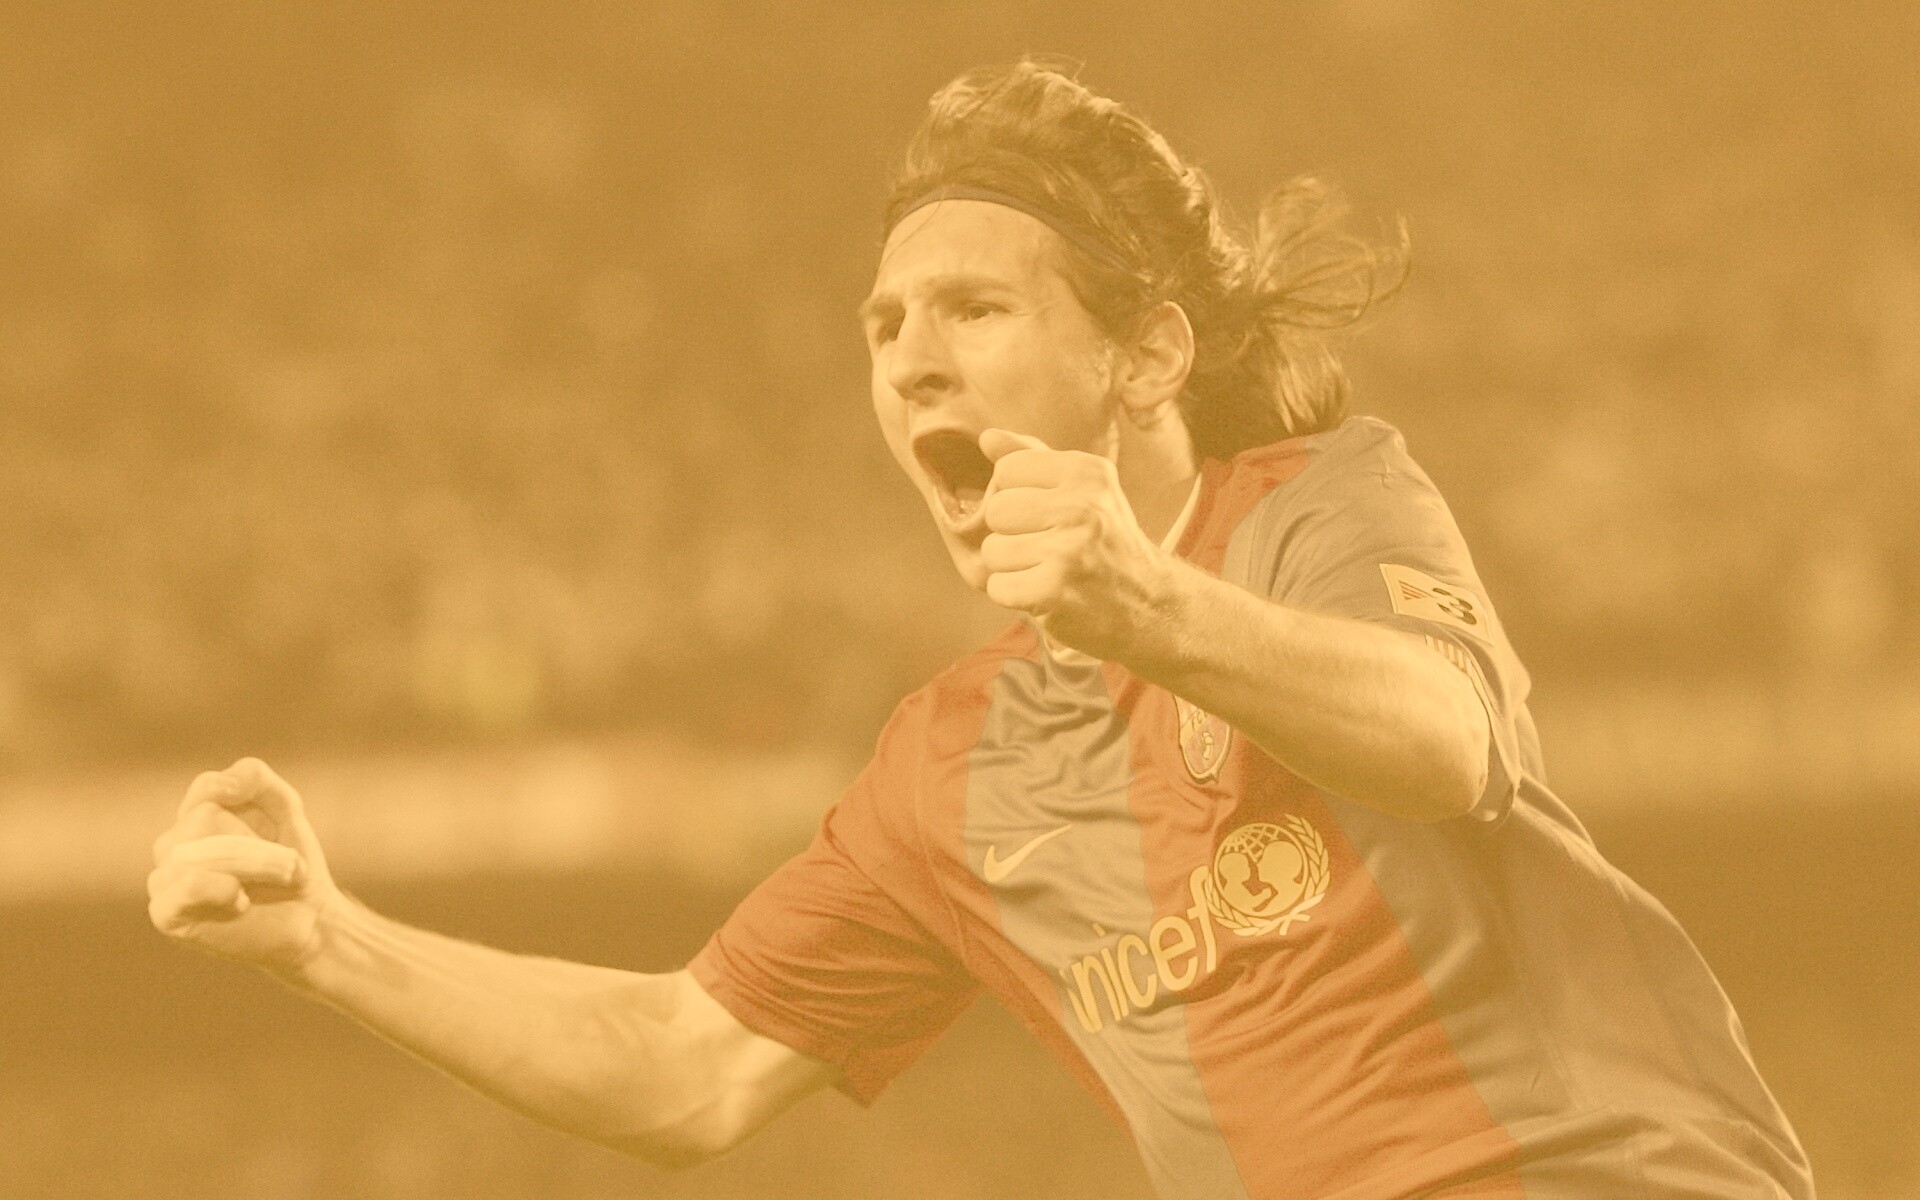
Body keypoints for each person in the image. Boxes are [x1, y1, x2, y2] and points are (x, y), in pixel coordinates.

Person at [147, 61, 1815, 1199]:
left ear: (1147, 357)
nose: (911, 359)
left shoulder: (1316, 506)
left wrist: (1145, 606)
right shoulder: (949, 772)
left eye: (972, 306)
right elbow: (683, 1067)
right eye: (883, 325)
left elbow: (1447, 741)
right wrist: (327, 941)